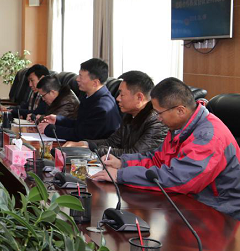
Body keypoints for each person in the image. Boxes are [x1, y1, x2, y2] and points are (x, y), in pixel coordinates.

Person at [92, 77, 240, 219]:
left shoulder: (208, 137)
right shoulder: (180, 127)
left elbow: (179, 179)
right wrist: (122, 163)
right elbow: (158, 159)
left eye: (159, 113)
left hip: (219, 212)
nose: (158, 118)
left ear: (180, 110)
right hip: (189, 202)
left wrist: (121, 175)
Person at [63, 70, 167, 157]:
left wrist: (91, 150)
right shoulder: (130, 115)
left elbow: (135, 155)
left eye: (122, 95)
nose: (117, 98)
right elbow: (112, 142)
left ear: (139, 97)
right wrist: (84, 144)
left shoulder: (156, 122)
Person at [38, 58, 121, 141]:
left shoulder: (102, 107)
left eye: (81, 76)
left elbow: (81, 135)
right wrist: (58, 120)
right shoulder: (89, 97)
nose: (77, 79)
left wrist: (49, 129)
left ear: (95, 82)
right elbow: (81, 125)